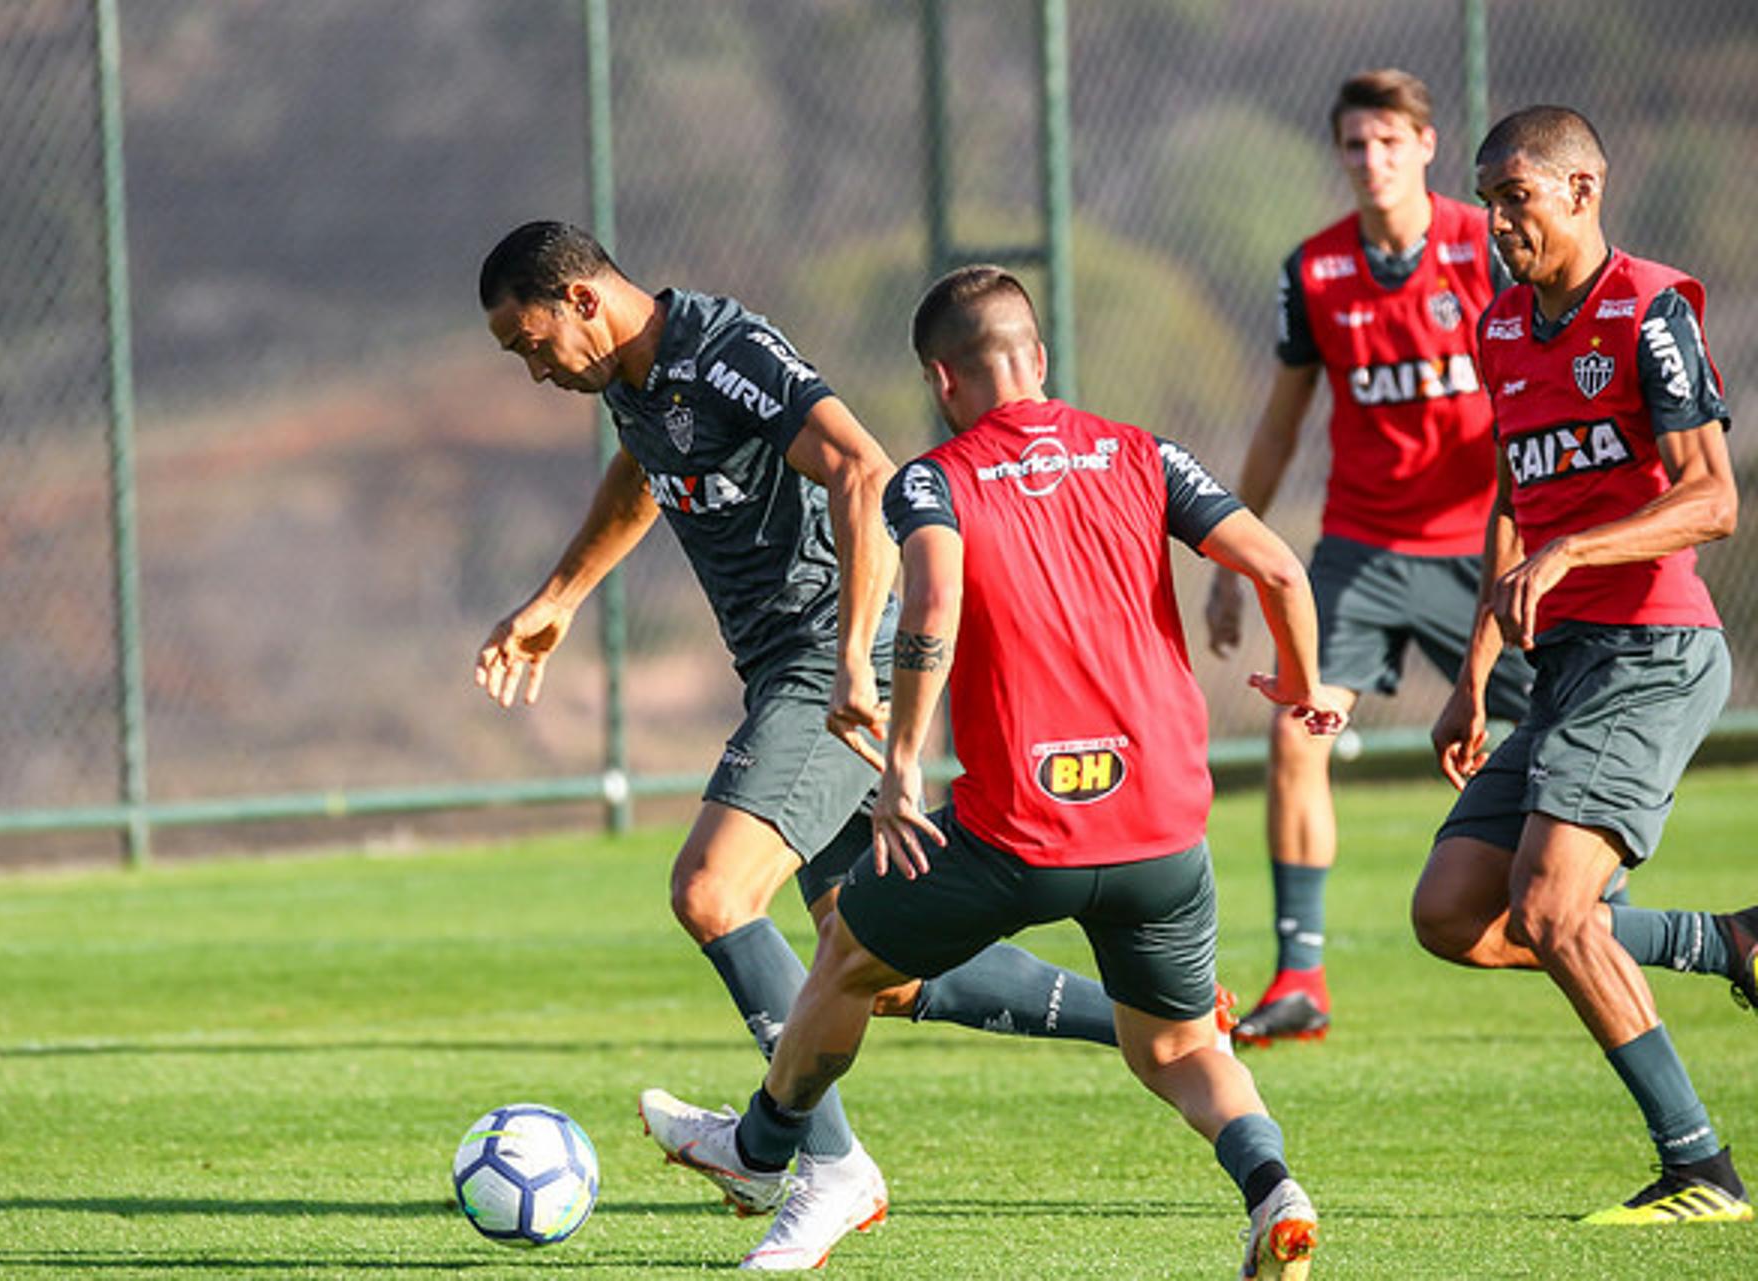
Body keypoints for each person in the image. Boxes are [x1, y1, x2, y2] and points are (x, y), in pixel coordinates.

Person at [474, 222, 1167, 1263]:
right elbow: (643, 471)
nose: (532, 370)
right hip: (793, 668)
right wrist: (560, 597)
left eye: (530, 343)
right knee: (873, 959)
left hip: (834, 662)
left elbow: (859, 464)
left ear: (581, 300)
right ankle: (1159, 1019)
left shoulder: (723, 352)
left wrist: (849, 657)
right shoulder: (632, 380)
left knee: (712, 891)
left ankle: (819, 1167)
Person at [641, 265, 1343, 1274]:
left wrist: (900, 765)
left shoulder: (936, 479)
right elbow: (1278, 566)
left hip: (1020, 831)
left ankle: (760, 1153)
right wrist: (1306, 685)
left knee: (845, 953)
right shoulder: (1146, 454)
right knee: (1180, 1049)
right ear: (1040, 358)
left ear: (941, 378)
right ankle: (1275, 1188)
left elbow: (929, 610)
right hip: (1163, 831)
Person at [1411, 105, 1757, 1224]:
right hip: (1564, 665)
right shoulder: (1501, 329)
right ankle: (1728, 942)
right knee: (1455, 914)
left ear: (1582, 189)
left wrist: (1576, 549)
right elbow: (1515, 500)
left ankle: (1702, 1170)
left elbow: (1713, 499)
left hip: (1652, 646)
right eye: (1489, 197)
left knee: (1557, 910)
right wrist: (1471, 674)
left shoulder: (1650, 309)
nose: (1498, 218)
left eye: (1517, 195)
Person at [1206, 69, 1539, 1046]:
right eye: (1356, 144)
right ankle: (1301, 976)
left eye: (1390, 142)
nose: (1372, 160)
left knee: (1562, 731)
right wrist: (1232, 554)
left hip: (1486, 544)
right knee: (1297, 730)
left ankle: (1594, 915)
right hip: (1360, 545)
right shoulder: (1313, 269)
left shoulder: (1485, 245)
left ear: (1426, 147)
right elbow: (1277, 427)